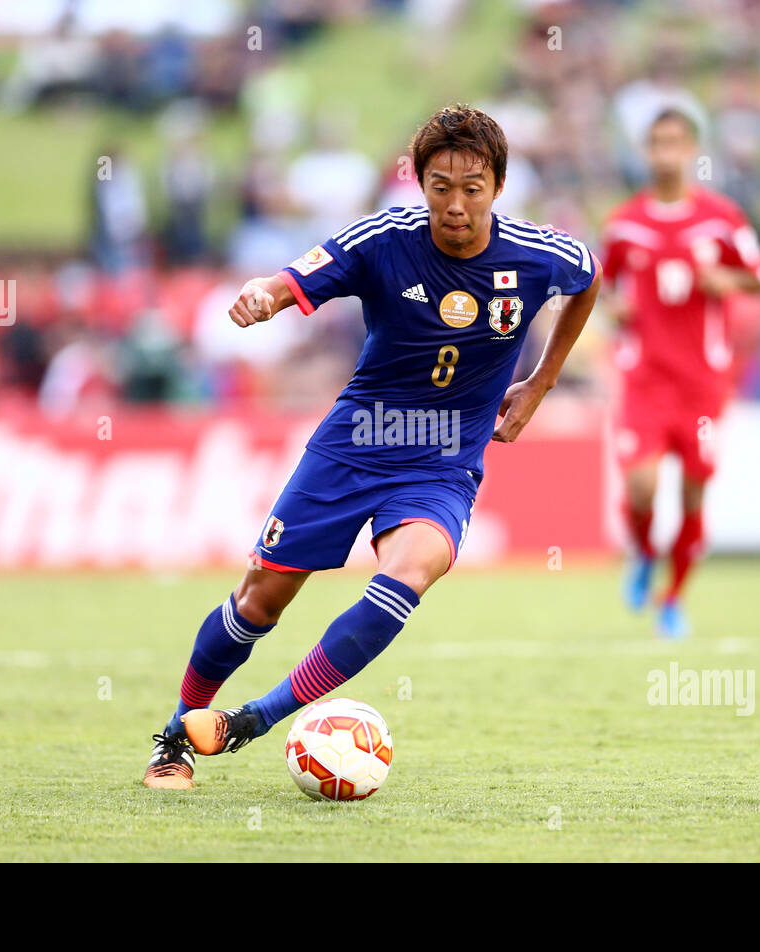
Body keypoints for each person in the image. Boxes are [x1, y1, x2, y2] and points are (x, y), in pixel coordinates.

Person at [143, 104, 601, 788]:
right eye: (440, 187)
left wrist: (541, 382)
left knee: (409, 573)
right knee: (259, 603)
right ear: (418, 183)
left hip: (443, 463)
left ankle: (253, 720)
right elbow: (291, 281)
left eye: (471, 189)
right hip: (354, 445)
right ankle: (178, 734)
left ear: (499, 188)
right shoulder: (384, 239)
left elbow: (588, 279)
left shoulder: (540, 256)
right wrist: (260, 299)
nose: (455, 204)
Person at [599, 107, 760, 640]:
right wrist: (615, 307)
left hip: (701, 383)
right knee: (642, 484)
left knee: (695, 493)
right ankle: (646, 553)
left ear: (694, 150)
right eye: (656, 143)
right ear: (644, 152)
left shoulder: (722, 218)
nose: (666, 153)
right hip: (646, 378)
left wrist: (726, 281)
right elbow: (601, 287)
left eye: (676, 142)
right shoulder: (625, 223)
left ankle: (673, 601)